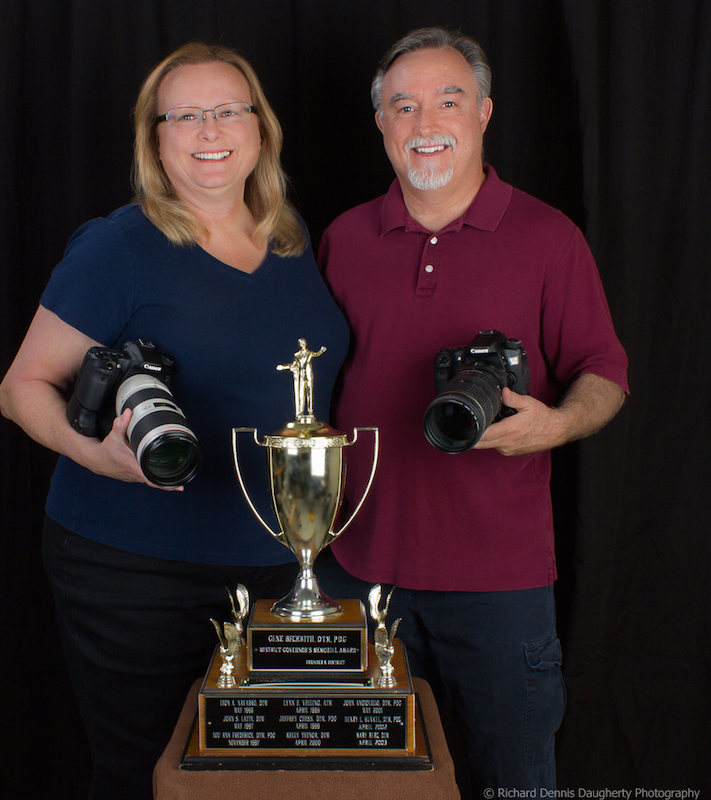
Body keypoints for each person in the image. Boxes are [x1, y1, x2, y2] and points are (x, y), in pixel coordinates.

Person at [0, 42, 348, 799]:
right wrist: (94, 455)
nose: (209, 131)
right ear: (155, 140)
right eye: (184, 116)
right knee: (150, 774)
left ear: (260, 127)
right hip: (135, 571)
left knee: (263, 778)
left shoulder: (292, 238)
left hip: (281, 567)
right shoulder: (118, 246)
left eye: (226, 111)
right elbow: (21, 386)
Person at [315, 27, 628, 795]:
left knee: (514, 782)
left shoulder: (549, 238)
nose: (425, 124)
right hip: (357, 571)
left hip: (499, 584)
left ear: (484, 112)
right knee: (363, 787)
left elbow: (604, 371)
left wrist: (559, 423)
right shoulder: (343, 239)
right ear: (381, 123)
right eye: (404, 106)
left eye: (448, 102)